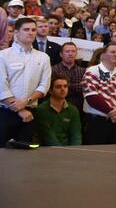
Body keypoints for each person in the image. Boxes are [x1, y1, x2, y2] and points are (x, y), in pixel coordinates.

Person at [0, 17, 52, 145]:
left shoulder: (43, 57)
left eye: (33, 30)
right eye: (26, 29)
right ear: (16, 33)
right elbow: (1, 85)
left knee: (24, 156)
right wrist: (20, 110)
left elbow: (44, 86)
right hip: (5, 112)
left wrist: (26, 102)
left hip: (30, 112)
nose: (31, 32)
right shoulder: (3, 55)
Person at [81, 44, 116, 145]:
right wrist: (111, 112)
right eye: (112, 52)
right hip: (96, 122)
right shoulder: (92, 71)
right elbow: (91, 97)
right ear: (103, 55)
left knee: (114, 156)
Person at [34, 74, 81, 146]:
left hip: (69, 150)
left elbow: (76, 135)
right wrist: (62, 152)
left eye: (65, 86)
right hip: (46, 150)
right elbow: (48, 136)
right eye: (58, 87)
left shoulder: (73, 110)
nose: (63, 89)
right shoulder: (42, 110)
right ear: (50, 91)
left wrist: (75, 150)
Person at [51, 42, 85, 110]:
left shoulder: (83, 71)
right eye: (67, 51)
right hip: (58, 107)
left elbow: (84, 89)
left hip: (79, 108)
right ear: (61, 54)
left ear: (76, 54)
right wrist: (77, 86)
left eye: (73, 51)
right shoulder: (53, 70)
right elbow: (55, 91)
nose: (70, 54)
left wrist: (68, 86)